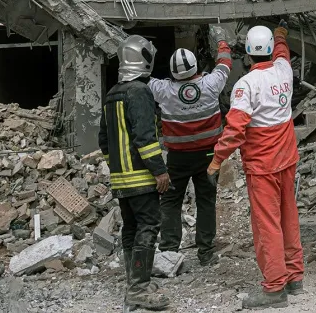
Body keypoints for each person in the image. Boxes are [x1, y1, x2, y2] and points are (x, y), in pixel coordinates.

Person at [208, 23, 303, 308]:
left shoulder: (245, 85)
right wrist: (283, 34)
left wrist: (215, 162)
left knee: (267, 226)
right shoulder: (284, 71)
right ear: (271, 49)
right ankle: (295, 276)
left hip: (262, 166)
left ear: (247, 54)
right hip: (288, 160)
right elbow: (284, 53)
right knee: (288, 218)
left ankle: (275, 287)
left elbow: (235, 131)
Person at [148, 27, 233, 266]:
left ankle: (169, 251)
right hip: (208, 156)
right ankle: (205, 252)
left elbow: (141, 77)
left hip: (177, 158)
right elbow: (225, 62)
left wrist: (148, 54)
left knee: (171, 202)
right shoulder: (211, 84)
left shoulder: (163, 90)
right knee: (206, 202)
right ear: (196, 67)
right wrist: (222, 41)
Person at [99, 35, 171, 311]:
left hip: (121, 179)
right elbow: (145, 136)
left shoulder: (113, 93)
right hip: (141, 177)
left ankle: (134, 281)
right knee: (149, 227)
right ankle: (139, 289)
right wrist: (159, 170)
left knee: (131, 229)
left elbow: (104, 140)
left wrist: (115, 166)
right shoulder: (139, 92)